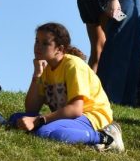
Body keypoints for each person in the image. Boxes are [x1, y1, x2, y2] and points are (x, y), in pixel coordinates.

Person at [9, 22, 123, 151]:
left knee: (44, 132)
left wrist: (37, 121)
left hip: (91, 116)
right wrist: (37, 75)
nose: (38, 47)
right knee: (16, 119)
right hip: (69, 118)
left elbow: (76, 109)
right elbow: (31, 108)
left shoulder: (73, 65)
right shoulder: (46, 69)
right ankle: (77, 136)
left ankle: (105, 138)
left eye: (45, 43)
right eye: (37, 41)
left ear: (60, 49)